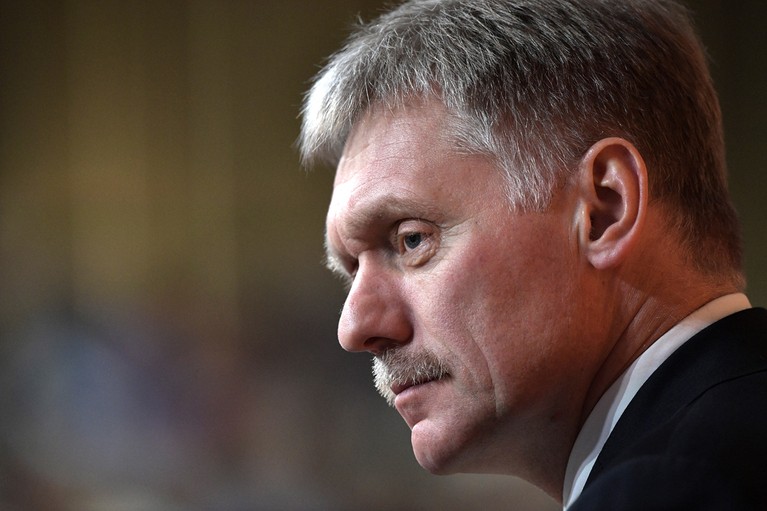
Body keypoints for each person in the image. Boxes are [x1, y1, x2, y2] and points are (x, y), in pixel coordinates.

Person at [299, 0, 767, 508]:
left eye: (411, 240)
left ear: (602, 210)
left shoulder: (670, 490)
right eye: (351, 270)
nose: (354, 328)